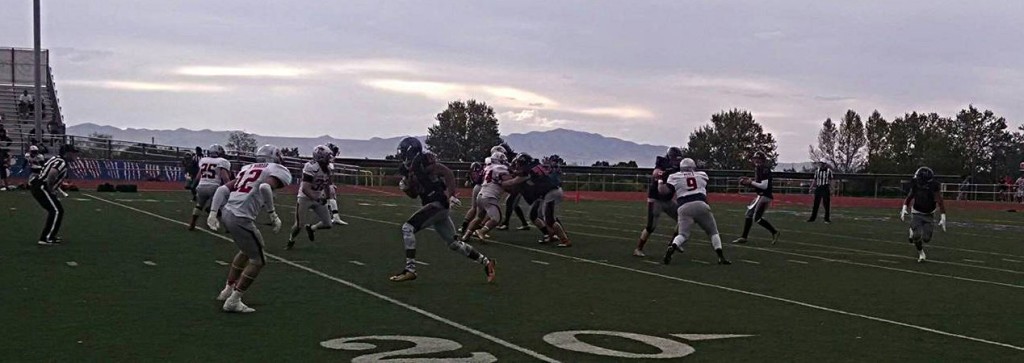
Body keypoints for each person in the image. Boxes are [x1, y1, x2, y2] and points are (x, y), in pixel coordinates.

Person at [391, 137, 495, 283]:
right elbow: (414, 194)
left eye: (403, 152)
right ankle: (487, 262)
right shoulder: (407, 169)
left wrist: (451, 194)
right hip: (434, 206)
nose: (401, 155)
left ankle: (410, 269)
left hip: (438, 203)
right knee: (454, 244)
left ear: (411, 151)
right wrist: (407, 187)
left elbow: (447, 172)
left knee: (407, 228)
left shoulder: (423, 161)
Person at [214, 144, 292, 313]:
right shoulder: (279, 169)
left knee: (246, 250)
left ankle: (227, 290)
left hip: (227, 211)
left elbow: (222, 189)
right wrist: (273, 214)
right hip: (240, 217)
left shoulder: (247, 168)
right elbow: (264, 187)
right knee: (259, 259)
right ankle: (234, 300)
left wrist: (213, 213)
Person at [660, 158, 730, 265]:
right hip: (701, 204)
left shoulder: (674, 176)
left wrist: (660, 181)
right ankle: (721, 256)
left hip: (684, 207)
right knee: (713, 232)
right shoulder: (702, 175)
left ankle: (672, 247)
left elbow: (664, 192)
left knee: (683, 235)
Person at [508, 152, 572, 247]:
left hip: (550, 192)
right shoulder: (535, 164)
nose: (517, 165)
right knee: (539, 215)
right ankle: (551, 235)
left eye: (518, 163)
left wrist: (507, 172)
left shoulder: (527, 169)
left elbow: (518, 176)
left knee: (549, 219)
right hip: (550, 191)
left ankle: (565, 240)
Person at [634, 147, 683, 257]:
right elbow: (655, 172)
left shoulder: (679, 167)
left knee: (683, 219)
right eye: (675, 158)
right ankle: (638, 249)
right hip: (655, 199)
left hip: (668, 199)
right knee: (651, 227)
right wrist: (661, 174)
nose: (677, 161)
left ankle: (673, 243)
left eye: (678, 159)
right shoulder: (662, 162)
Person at [287, 145, 334, 250]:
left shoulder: (328, 168)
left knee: (328, 224)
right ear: (320, 157)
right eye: (327, 156)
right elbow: (305, 189)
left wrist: (327, 198)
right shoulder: (311, 167)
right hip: (305, 198)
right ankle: (291, 239)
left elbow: (327, 184)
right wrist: (317, 199)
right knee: (299, 225)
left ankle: (312, 228)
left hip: (318, 197)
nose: (330, 158)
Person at [30, 144, 77, 245]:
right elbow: (52, 173)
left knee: (57, 210)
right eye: (73, 153)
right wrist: (51, 188)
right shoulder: (61, 162)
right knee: (56, 211)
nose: (75, 156)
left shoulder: (57, 159)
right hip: (42, 187)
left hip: (39, 185)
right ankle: (46, 238)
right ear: (67, 153)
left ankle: (50, 236)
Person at [460, 153, 511, 241]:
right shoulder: (501, 169)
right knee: (496, 219)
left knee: (479, 217)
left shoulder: (488, 168)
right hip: (489, 196)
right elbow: (507, 182)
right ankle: (482, 231)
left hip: (481, 195)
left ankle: (466, 235)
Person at [900, 167, 946, 263]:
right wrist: (904, 208)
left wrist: (943, 216)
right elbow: (909, 197)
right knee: (916, 236)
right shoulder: (916, 184)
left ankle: (913, 230)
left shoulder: (933, 186)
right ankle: (921, 253)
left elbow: (940, 201)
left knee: (926, 239)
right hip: (917, 212)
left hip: (929, 214)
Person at [733, 151, 781, 245]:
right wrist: (750, 184)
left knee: (757, 218)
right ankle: (744, 237)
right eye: (755, 159)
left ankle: (775, 232)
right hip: (760, 195)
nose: (756, 161)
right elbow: (758, 185)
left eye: (758, 159)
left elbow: (764, 186)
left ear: (762, 160)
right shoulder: (758, 168)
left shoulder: (764, 169)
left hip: (765, 196)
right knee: (749, 214)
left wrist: (751, 182)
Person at [188, 144, 232, 230]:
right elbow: (225, 177)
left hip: (201, 186)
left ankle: (192, 223)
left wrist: (193, 185)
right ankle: (225, 227)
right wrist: (230, 187)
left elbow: (198, 175)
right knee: (220, 207)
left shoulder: (204, 160)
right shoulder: (222, 161)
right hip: (214, 187)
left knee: (199, 205)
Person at [458, 161, 486, 234]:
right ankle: (474, 229)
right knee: (481, 211)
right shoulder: (485, 170)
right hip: (483, 188)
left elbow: (468, 183)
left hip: (476, 187)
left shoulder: (471, 172)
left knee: (473, 208)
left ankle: (464, 227)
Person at [324, 143, 348, 226]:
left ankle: (332, 217)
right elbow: (327, 173)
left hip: (323, 182)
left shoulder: (328, 160)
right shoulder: (327, 162)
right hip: (322, 182)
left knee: (329, 198)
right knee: (330, 197)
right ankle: (335, 217)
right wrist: (330, 183)